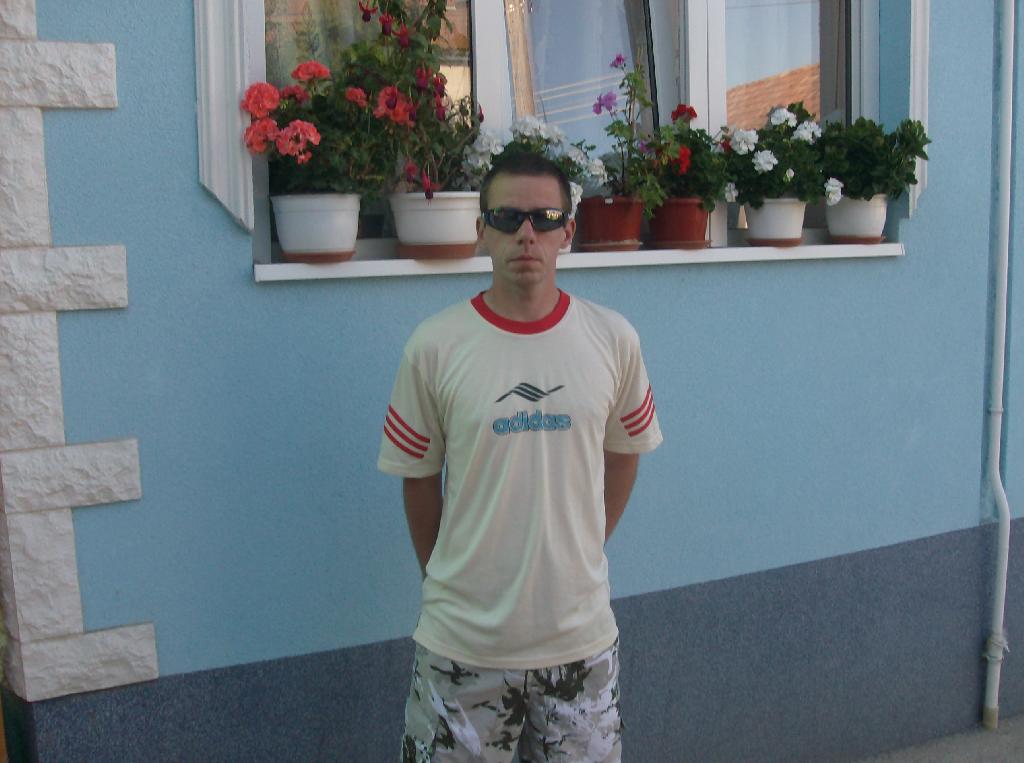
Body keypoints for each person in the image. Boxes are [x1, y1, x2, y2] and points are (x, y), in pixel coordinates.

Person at [378, 152, 662, 762]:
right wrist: (452, 573)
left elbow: (625, 453)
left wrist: (583, 543)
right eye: (507, 218)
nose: (525, 234)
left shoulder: (613, 339)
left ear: (568, 230)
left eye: (544, 218)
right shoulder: (434, 346)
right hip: (462, 648)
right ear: (481, 229)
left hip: (579, 643)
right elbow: (418, 480)